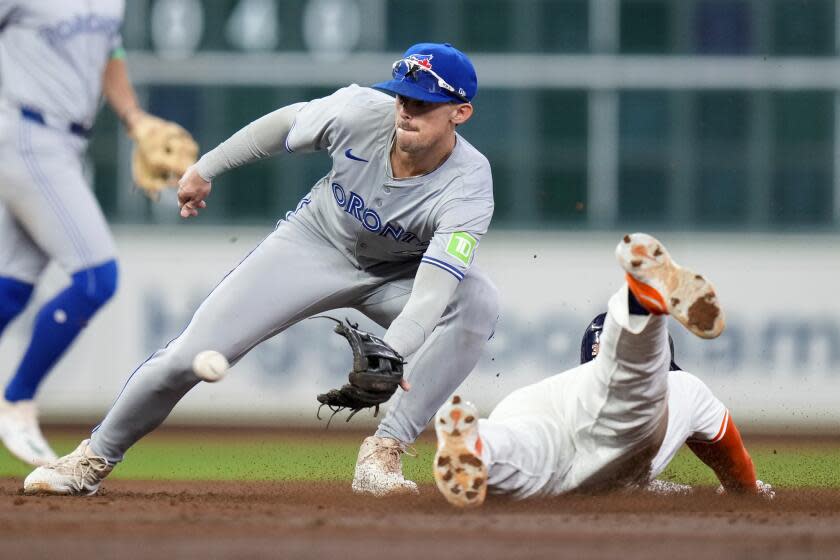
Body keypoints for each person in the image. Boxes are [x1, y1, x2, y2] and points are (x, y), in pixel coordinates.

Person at [23, 42, 498, 497]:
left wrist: (393, 352)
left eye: (424, 102)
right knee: (189, 355)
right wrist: (204, 169)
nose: (406, 110)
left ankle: (385, 450)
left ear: (460, 113)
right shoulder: (360, 112)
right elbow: (283, 126)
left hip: (398, 275)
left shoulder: (469, 185)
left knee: (477, 301)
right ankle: (92, 459)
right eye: (403, 97)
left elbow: (434, 292)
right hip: (316, 244)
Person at [432, 233, 773, 508]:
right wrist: (746, 491)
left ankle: (479, 443)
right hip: (607, 426)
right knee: (629, 394)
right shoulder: (681, 385)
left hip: (529, 407)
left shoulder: (569, 382)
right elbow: (730, 450)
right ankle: (642, 301)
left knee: (527, 459)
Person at [0, 1, 193, 466]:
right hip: (23, 131)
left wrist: (134, 118)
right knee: (95, 277)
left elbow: (110, 54)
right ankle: (16, 402)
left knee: (12, 287)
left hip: (67, 144)